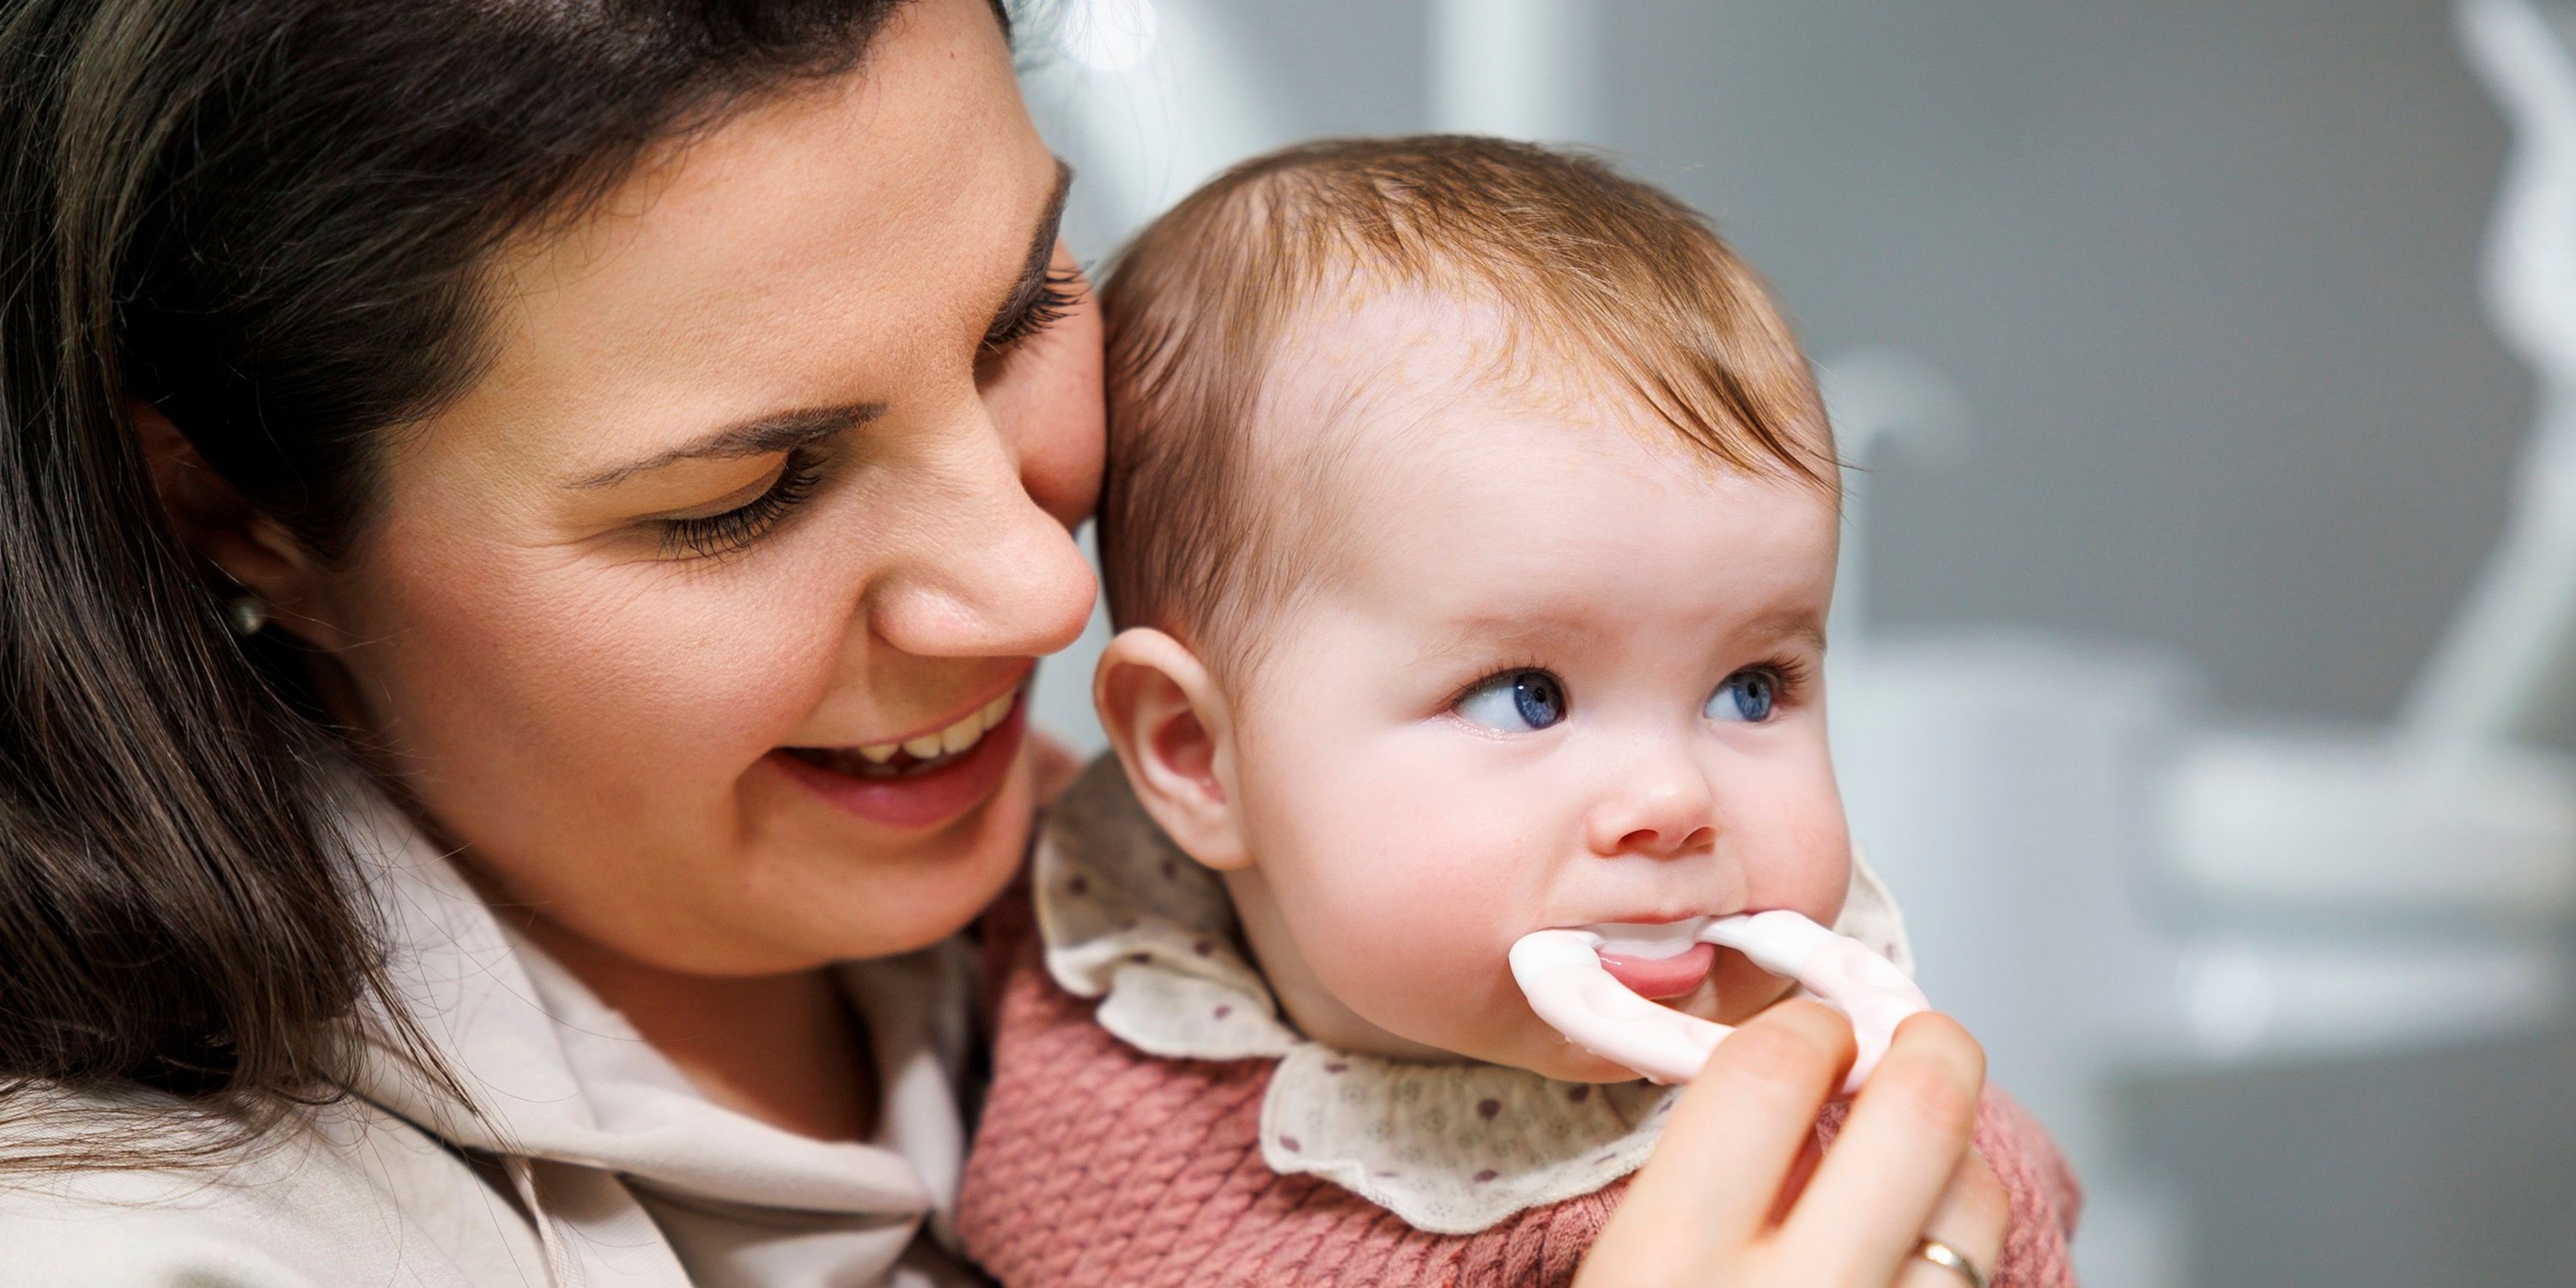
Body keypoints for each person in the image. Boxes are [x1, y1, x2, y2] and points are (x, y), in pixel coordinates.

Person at [0, 3, 2021, 1285]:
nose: (1045, 594)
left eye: (1019, 319)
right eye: (750, 487)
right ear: (245, 510)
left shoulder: (1167, 907)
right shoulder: (146, 1249)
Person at [951, 137, 2078, 1287]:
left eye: (1752, 689)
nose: (1675, 800)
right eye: (1525, 699)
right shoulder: (1058, 961)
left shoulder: (1881, 1180)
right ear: (1196, 755)